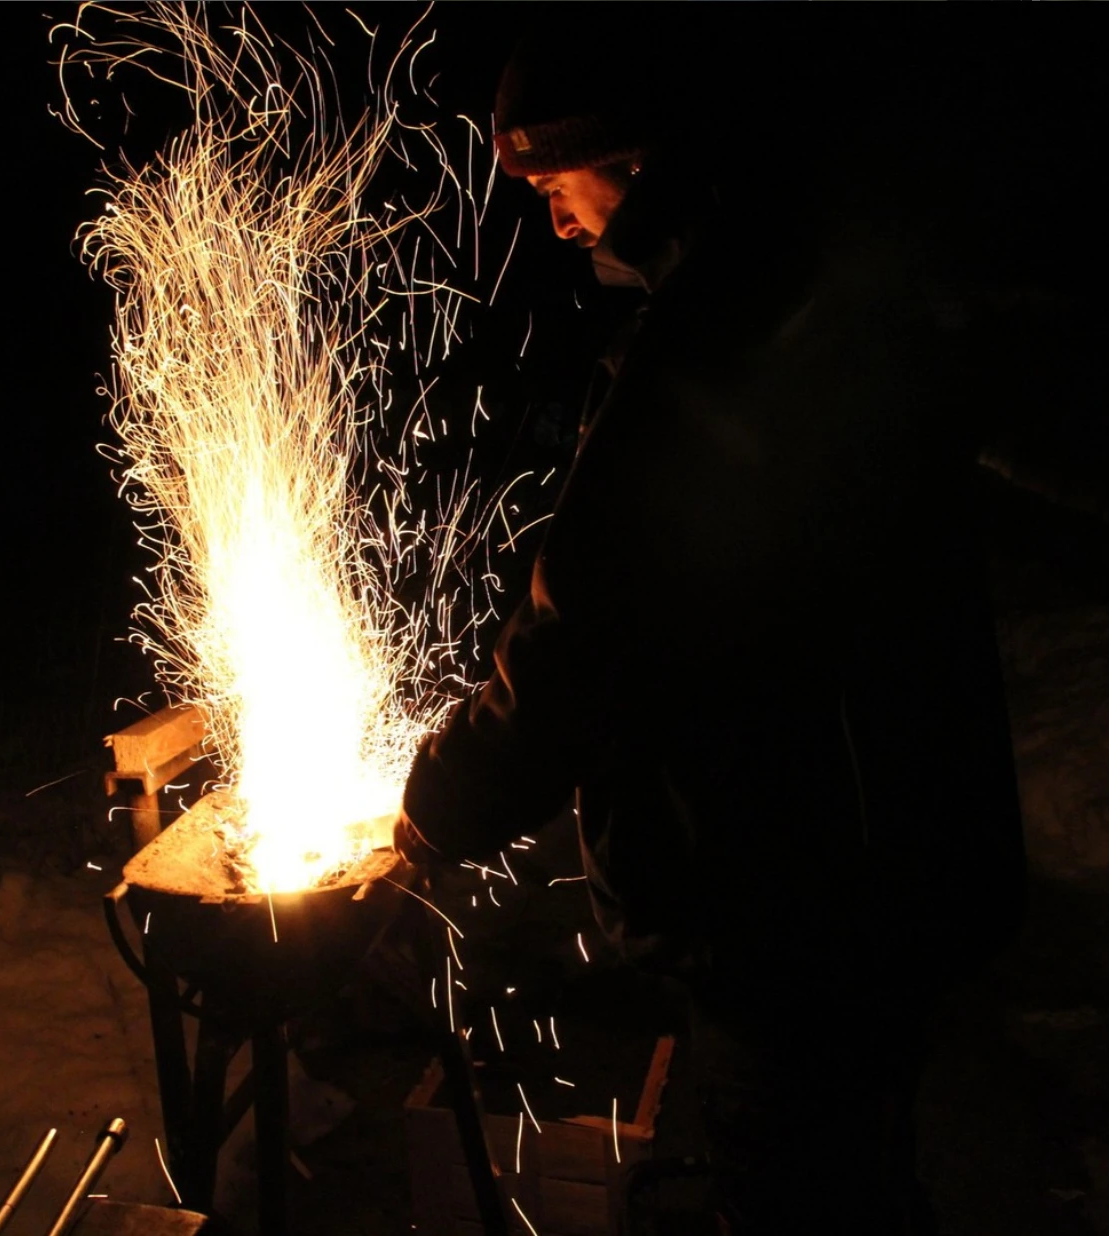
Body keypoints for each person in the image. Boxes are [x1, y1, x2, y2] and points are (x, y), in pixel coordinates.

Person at [396, 14, 1026, 1233]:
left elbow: (602, 605)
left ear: (630, 156)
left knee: (796, 1191)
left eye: (553, 182)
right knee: (859, 1176)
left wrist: (449, 796)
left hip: (804, 901)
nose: (553, 216)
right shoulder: (793, 275)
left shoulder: (727, 324)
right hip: (882, 862)